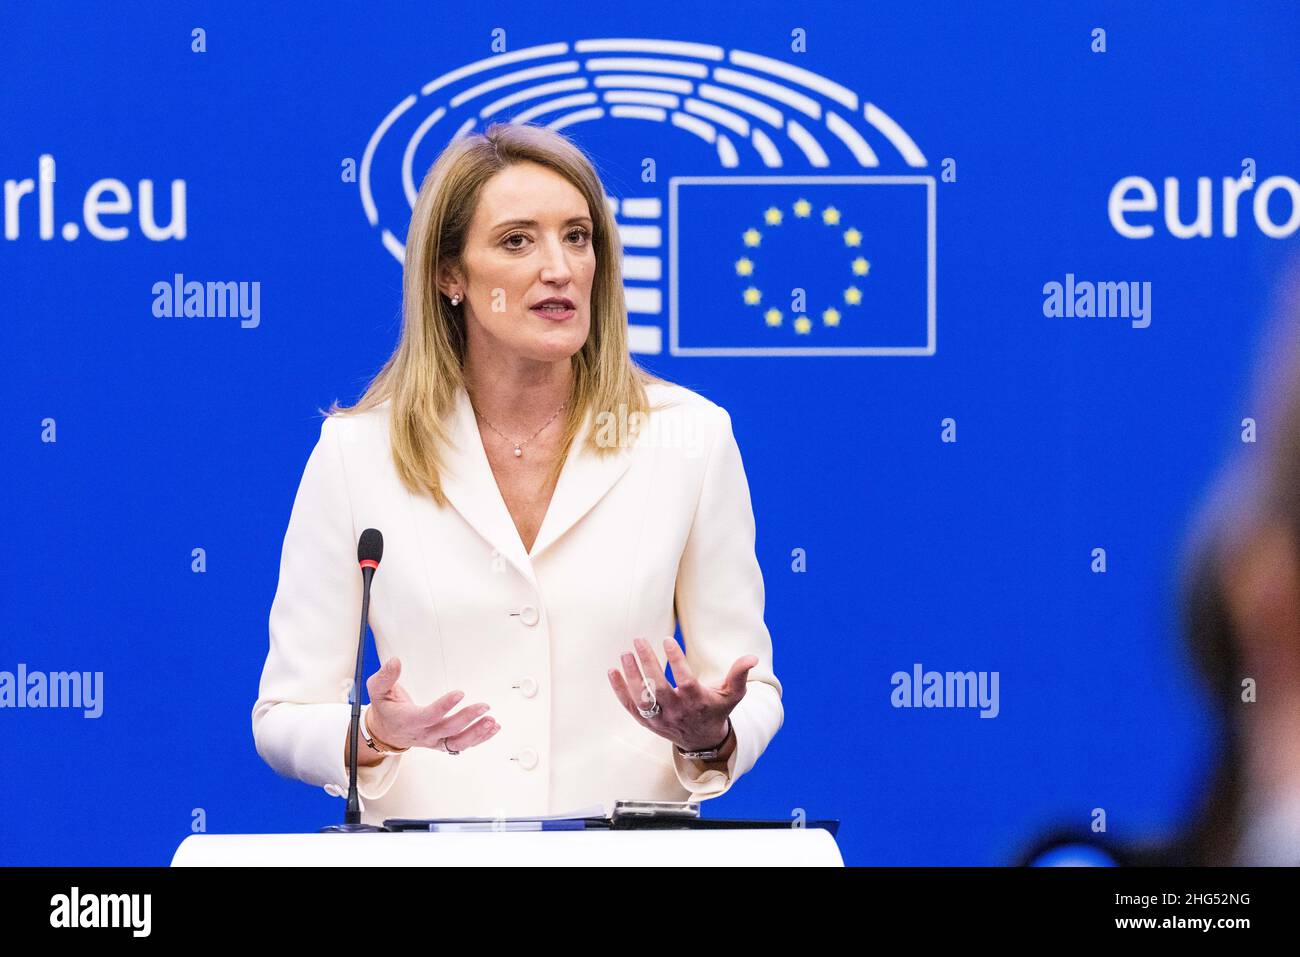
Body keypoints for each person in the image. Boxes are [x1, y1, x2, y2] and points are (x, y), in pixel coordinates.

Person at [250, 122, 783, 824]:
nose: (559, 268)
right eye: (517, 241)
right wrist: (375, 733)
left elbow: (753, 688)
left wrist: (712, 733)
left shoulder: (689, 436)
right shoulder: (356, 453)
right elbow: (283, 715)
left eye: (578, 237)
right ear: (449, 275)